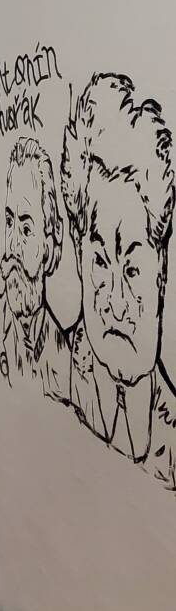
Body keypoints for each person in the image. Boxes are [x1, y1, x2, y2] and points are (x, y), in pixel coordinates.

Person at [60, 73, 176, 483]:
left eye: (132, 269)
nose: (116, 302)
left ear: (161, 271)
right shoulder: (53, 377)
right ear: (78, 257)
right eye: (99, 262)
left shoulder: (171, 438)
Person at [0, 136, 71, 400]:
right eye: (9, 222)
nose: (13, 245)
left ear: (49, 243)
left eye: (26, 229)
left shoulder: (64, 359)